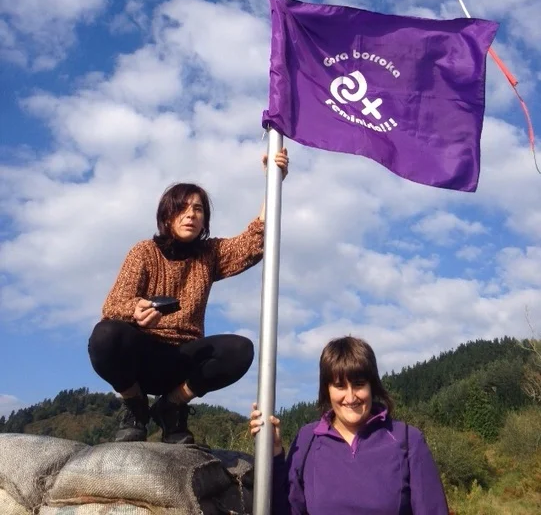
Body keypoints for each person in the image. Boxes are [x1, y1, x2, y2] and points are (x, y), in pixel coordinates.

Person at [88, 149, 289, 445]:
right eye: (182, 208)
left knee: (240, 349)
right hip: (143, 357)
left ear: (204, 220)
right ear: (166, 216)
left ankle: (171, 407)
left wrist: (274, 179)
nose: (191, 215)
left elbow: (254, 240)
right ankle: (135, 405)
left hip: (183, 359)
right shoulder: (144, 252)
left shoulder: (209, 254)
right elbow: (113, 304)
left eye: (198, 209)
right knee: (105, 335)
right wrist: (136, 310)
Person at [250, 336, 449, 515]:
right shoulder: (308, 439)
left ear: (372, 386)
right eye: (340, 386)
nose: (351, 397)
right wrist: (274, 453)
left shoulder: (408, 439)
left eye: (359, 384)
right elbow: (286, 509)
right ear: (327, 389)